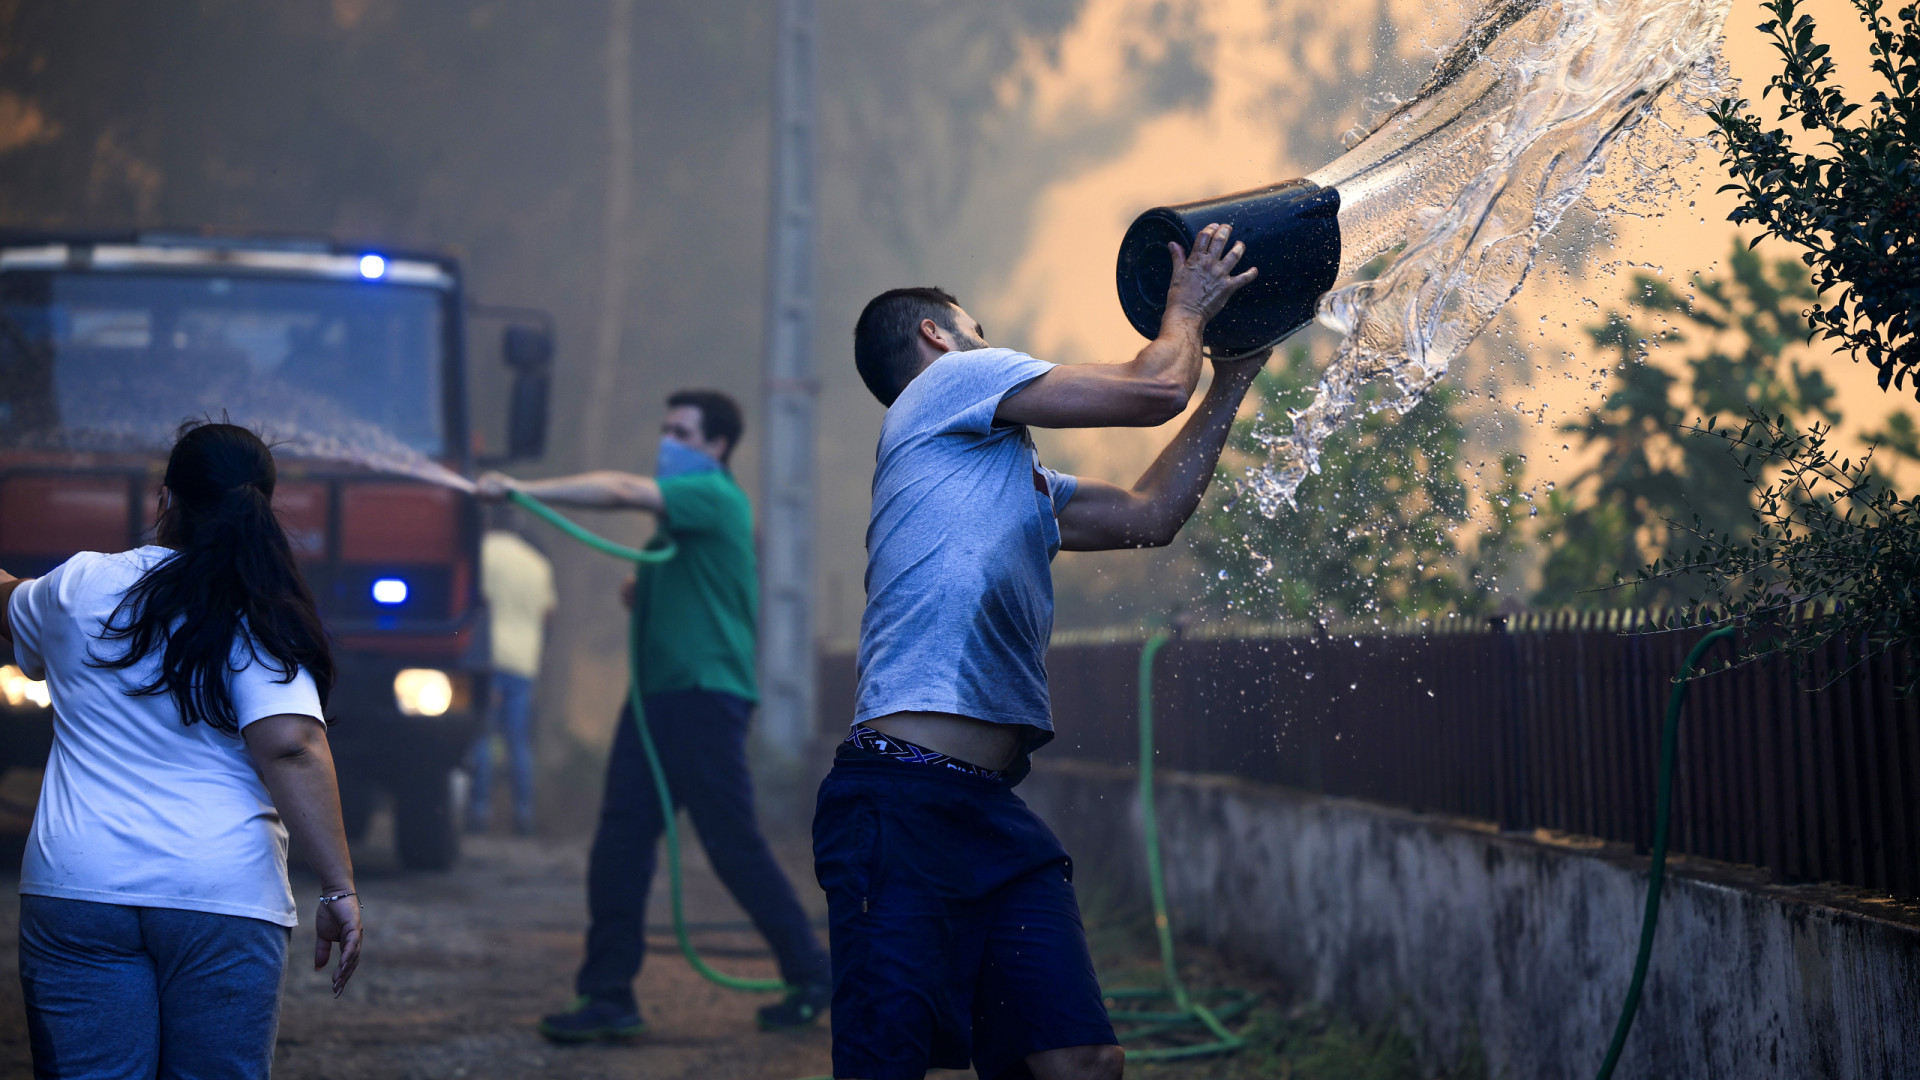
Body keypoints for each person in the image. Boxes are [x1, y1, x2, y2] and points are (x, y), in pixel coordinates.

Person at [819, 223, 1265, 1080]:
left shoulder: (1007, 476)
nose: (994, 348)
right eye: (980, 330)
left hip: (985, 808)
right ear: (935, 333)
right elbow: (1152, 388)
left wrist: (1232, 378)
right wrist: (1188, 309)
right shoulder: (951, 379)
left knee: (1080, 1060)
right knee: (888, 1065)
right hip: (899, 800)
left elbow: (1149, 513)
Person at [0, 421, 363, 1079]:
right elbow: (292, 748)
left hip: (80, 885)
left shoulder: (78, 586)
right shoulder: (259, 608)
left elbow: (4, 601)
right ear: (261, 503)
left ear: (165, 498)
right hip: (220, 895)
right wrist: (337, 888)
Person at [476, 388, 832, 1042]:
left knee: (731, 845)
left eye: (682, 432)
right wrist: (643, 593)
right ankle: (609, 995)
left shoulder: (714, 498)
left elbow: (619, 490)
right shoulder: (679, 528)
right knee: (619, 844)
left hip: (704, 698)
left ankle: (812, 970)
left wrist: (522, 490)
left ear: (716, 446)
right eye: (665, 428)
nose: (668, 441)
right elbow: (672, 582)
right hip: (658, 702)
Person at [467, 510, 556, 835]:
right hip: (524, 662)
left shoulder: (479, 552)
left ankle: (479, 811)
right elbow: (548, 616)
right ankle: (523, 815)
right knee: (518, 741)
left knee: (483, 736)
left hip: (486, 659)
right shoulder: (538, 564)